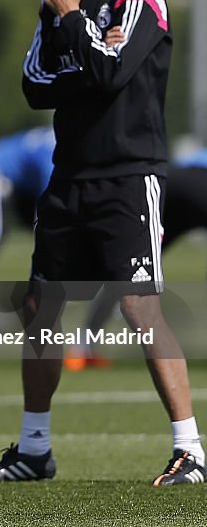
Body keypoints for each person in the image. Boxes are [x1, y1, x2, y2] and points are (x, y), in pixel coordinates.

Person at [0, 0, 205, 487]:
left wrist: (75, 25)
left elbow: (113, 72)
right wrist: (80, 42)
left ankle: (190, 450)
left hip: (129, 176)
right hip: (68, 175)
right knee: (39, 305)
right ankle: (33, 450)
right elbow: (34, 83)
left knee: (138, 303)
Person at [66, 148, 207, 369]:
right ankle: (83, 348)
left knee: (127, 268)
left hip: (172, 185)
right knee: (128, 269)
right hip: (183, 188)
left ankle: (83, 347)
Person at [0, 126, 55, 280]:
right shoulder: (51, 153)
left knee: (46, 234)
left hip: (22, 182)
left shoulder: (52, 141)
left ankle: (43, 281)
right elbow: (45, 200)